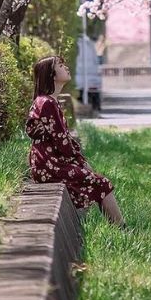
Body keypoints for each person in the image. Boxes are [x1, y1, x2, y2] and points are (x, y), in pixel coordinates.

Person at [25, 55, 125, 227]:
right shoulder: (47, 103)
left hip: (49, 163)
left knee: (95, 182)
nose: (66, 67)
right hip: (49, 166)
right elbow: (61, 141)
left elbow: (62, 139)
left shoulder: (48, 101)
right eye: (61, 65)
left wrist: (80, 162)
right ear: (52, 75)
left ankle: (113, 226)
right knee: (101, 182)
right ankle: (121, 228)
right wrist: (81, 162)